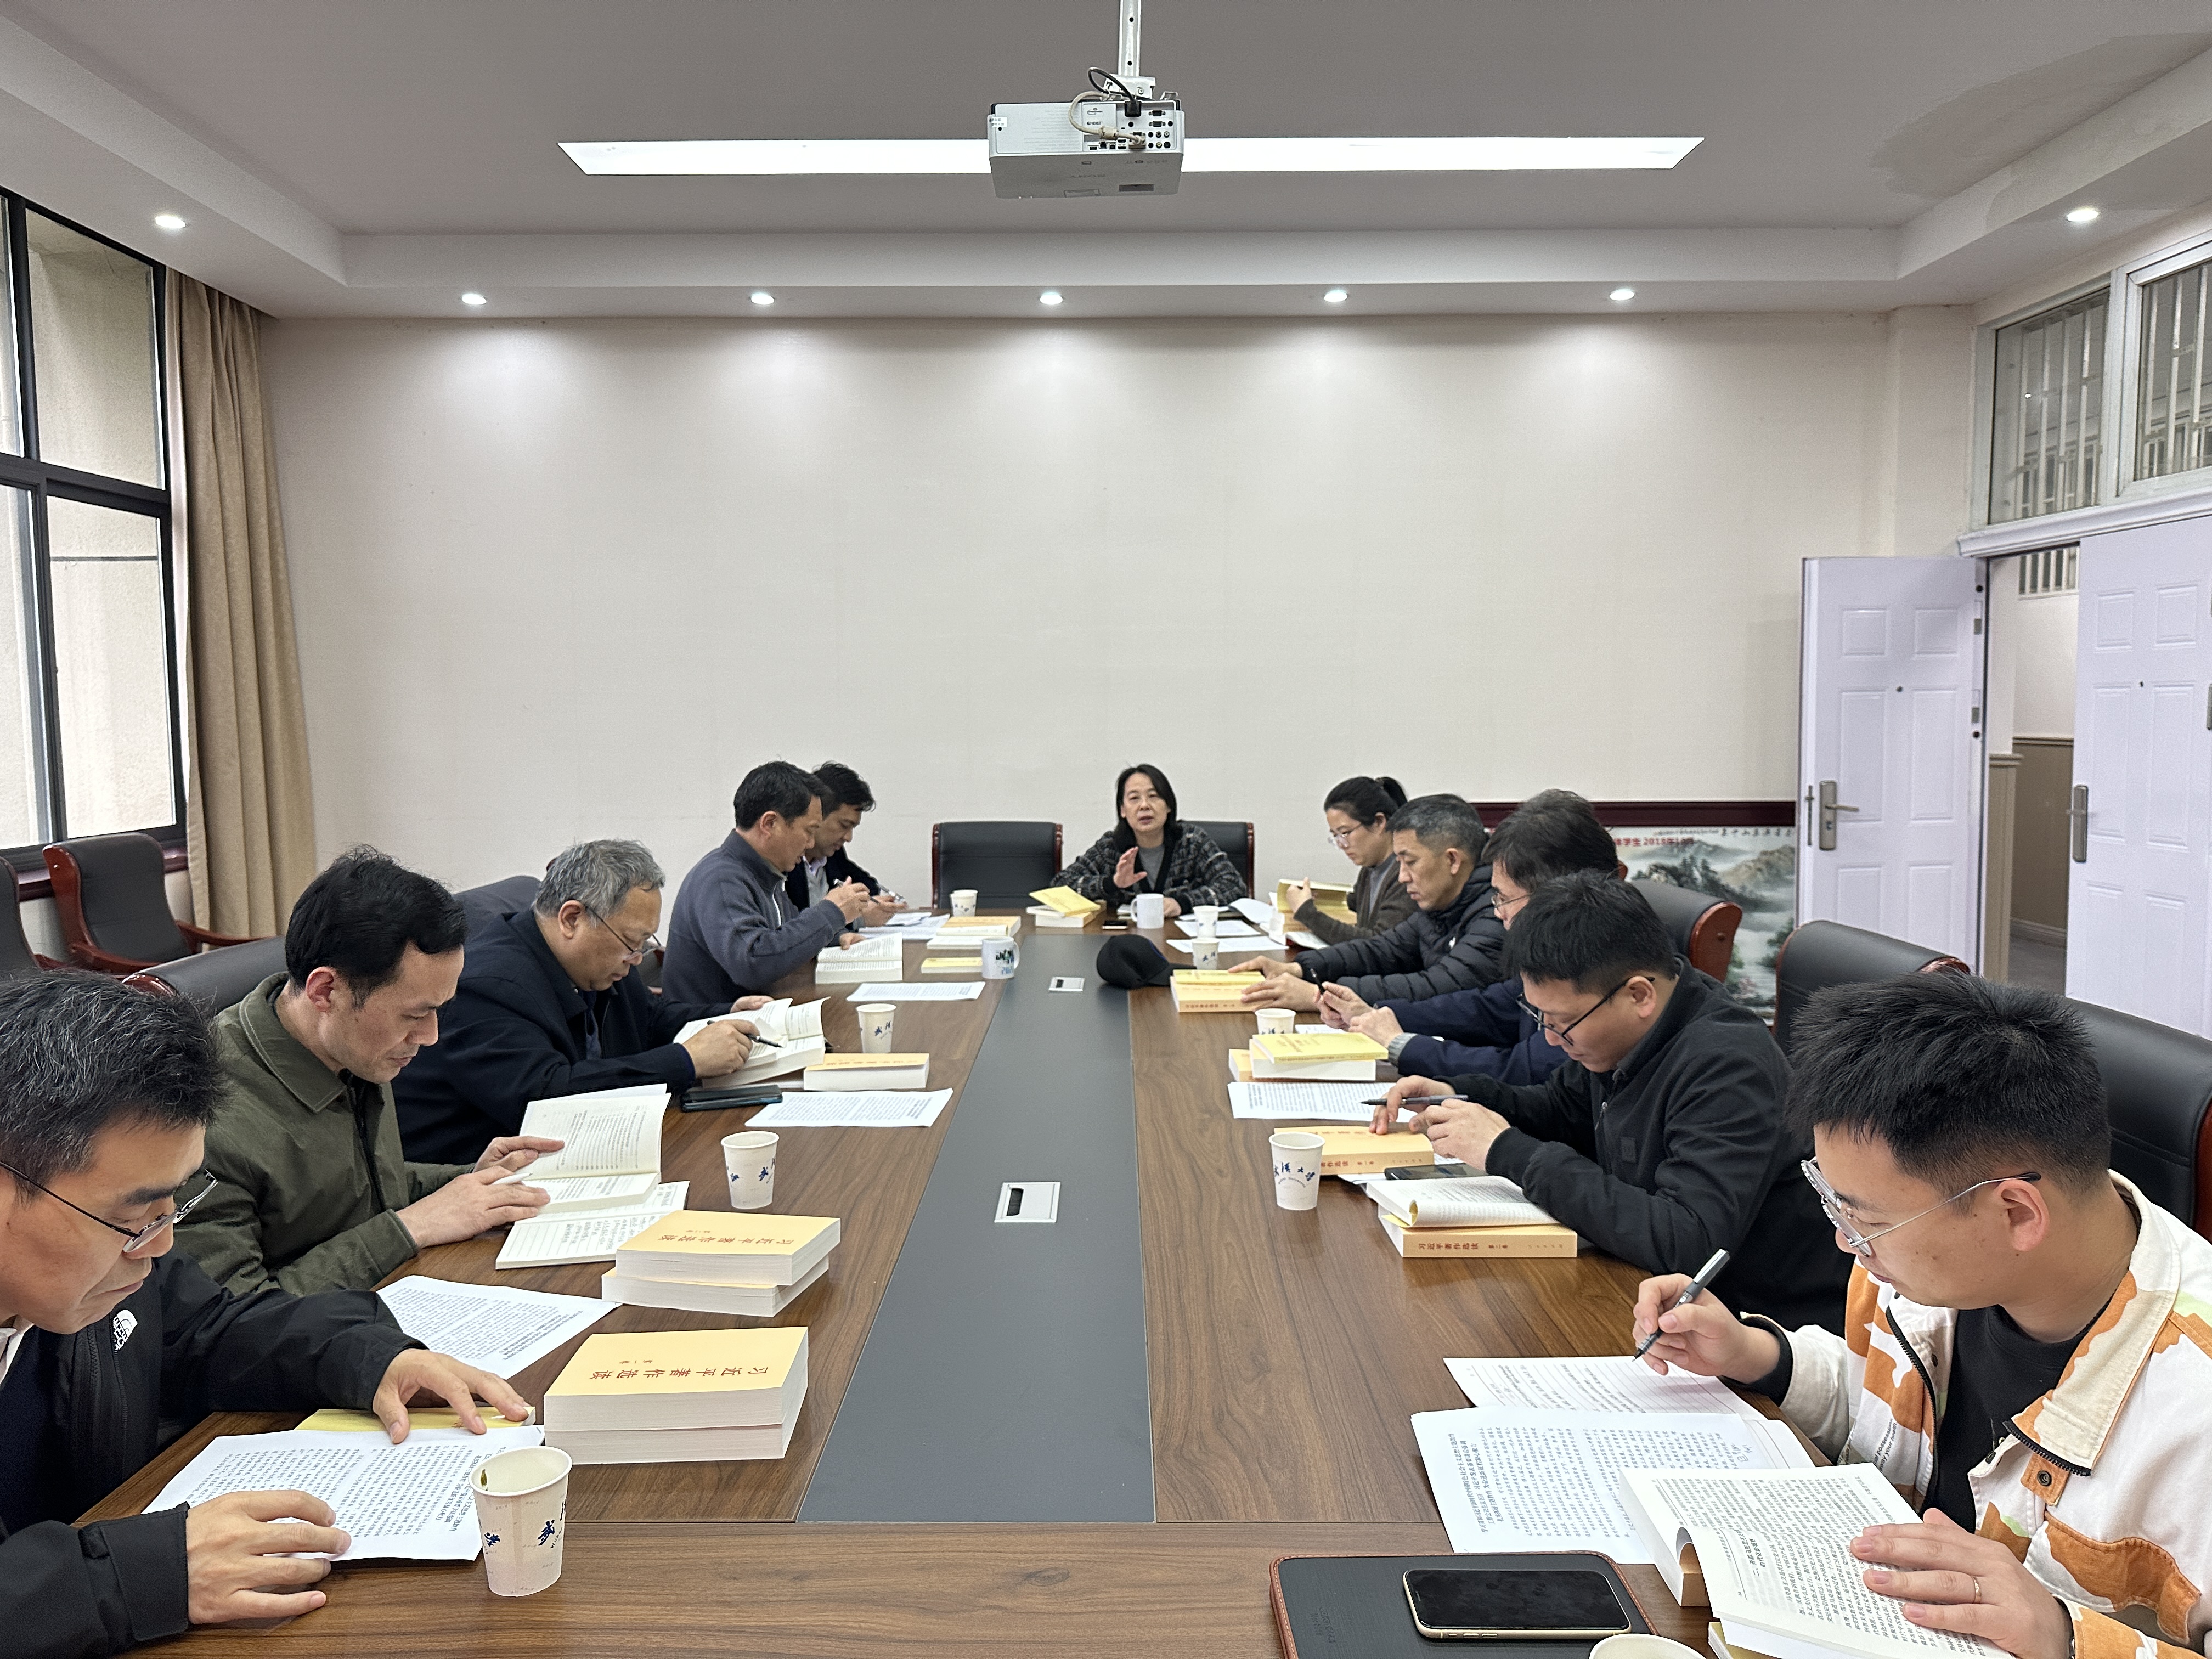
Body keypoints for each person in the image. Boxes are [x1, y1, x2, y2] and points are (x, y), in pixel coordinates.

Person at [1632, 975, 2212, 1659]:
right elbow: (1877, 1405)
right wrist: (1757, 1354)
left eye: (1864, 1219)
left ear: (2016, 1212)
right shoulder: (1924, 1277)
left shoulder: (2193, 1411)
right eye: (1833, 1202)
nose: (1846, 1242)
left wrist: (2064, 1635)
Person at [0, 973, 531, 1658]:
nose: (159, 1246)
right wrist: (137, 1575)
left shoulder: (106, 1273)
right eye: (133, 1218)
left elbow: (210, 1332)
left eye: (173, 1208)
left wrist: (367, 1357)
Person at [1379, 871, 1846, 1331]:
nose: (1550, 1037)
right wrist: (1460, 1096)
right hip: (1649, 1295)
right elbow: (1561, 1108)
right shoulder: (1624, 1034)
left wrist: (1506, 1151)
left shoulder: (1729, 1066)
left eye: (1561, 1022)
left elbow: (1687, 1241)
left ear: (1639, 995)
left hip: (1755, 1327)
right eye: (1539, 1016)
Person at [177, 849, 563, 1297]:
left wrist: (470, 1179)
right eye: (414, 1015)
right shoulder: (203, 1116)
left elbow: (354, 1185)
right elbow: (233, 1314)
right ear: (326, 991)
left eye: (439, 1011)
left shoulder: (348, 1046)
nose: (431, 1036)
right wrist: (410, 1228)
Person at [394, 839, 767, 1165]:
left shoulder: (599, 960)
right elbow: (547, 1098)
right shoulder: (487, 987)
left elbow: (649, 1019)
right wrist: (685, 1061)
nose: (637, 958)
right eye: (632, 942)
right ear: (572, 919)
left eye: (644, 944)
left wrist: (725, 1014)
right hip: (466, 1177)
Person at [1323, 792, 1616, 1086]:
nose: (1498, 912)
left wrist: (1402, 1044)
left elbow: (1525, 1070)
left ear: (1559, 897)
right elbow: (1491, 1008)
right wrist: (1377, 1014)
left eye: (1504, 899)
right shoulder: (1553, 953)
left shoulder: (1599, 965)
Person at [1232, 793, 1503, 1009]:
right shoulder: (1441, 906)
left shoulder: (1498, 912)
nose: (1403, 877)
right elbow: (1380, 950)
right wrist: (1300, 968)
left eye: (1410, 862)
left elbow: (1441, 988)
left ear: (1453, 860)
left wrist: (1320, 996)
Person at [662, 761, 871, 1001]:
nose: (811, 844)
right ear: (770, 824)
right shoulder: (722, 880)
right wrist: (832, 912)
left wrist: (837, 938)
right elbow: (753, 964)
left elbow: (789, 932)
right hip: (714, 1021)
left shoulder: (763, 873)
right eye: (809, 831)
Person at [1051, 764, 1246, 919]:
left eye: (1153, 796)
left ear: (1168, 805)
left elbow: (1234, 885)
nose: (1144, 806)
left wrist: (1182, 903)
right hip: (1129, 941)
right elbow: (1060, 887)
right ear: (1123, 810)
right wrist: (1113, 883)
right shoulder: (1112, 847)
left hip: (1185, 940)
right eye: (1134, 798)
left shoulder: (1191, 842)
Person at [1279, 775, 1415, 945]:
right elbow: (1350, 907)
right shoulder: (1370, 869)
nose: (1342, 844)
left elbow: (1378, 944)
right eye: (1336, 836)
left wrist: (1306, 912)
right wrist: (1289, 903)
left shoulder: (1407, 874)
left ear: (1379, 822)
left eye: (1345, 833)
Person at [785, 761, 899, 926]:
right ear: (817, 815)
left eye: (853, 828)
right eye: (844, 826)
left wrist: (875, 903)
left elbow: (867, 886)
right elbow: (792, 925)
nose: (849, 837)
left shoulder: (832, 854)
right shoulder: (786, 860)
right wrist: (858, 920)